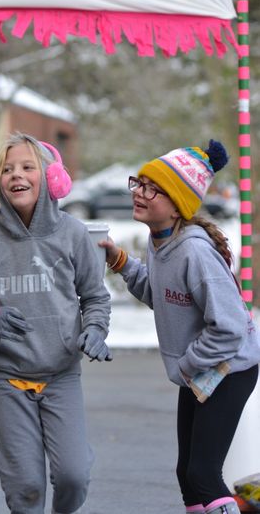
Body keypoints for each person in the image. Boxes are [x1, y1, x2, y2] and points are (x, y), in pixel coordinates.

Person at [0, 132, 112, 514]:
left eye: (27, 167)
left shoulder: (73, 233)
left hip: (61, 374)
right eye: (7, 168)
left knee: (73, 476)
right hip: (6, 375)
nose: (16, 175)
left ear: (51, 179)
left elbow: (95, 296)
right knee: (26, 487)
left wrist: (96, 329)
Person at [101, 140, 260, 514]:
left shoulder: (194, 251)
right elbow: (162, 294)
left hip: (230, 369)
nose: (139, 193)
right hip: (202, 370)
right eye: (138, 183)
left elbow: (231, 327)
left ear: (177, 206)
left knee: (204, 473)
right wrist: (122, 261)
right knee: (186, 474)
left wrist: (188, 364)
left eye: (152, 188)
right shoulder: (160, 241)